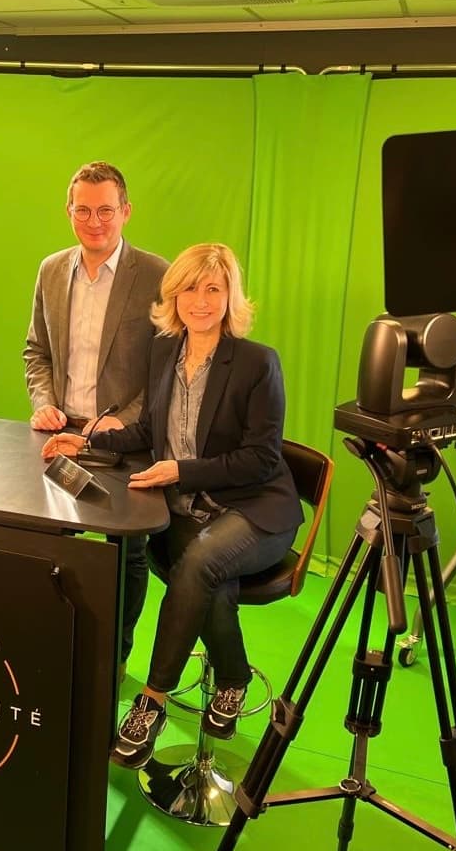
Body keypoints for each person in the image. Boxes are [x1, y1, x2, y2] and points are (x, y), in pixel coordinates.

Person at [41, 243, 303, 768]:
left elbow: (259, 458)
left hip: (255, 509)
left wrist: (182, 471)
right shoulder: (164, 352)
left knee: (199, 565)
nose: (200, 300)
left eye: (213, 288)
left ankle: (152, 701)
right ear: (173, 295)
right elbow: (147, 429)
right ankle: (232, 675)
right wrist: (88, 441)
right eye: (189, 288)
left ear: (231, 297)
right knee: (212, 586)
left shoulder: (257, 362)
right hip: (185, 509)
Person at [23, 161, 169, 677]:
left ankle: (114, 658)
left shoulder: (156, 274)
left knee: (127, 555)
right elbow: (36, 351)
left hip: (126, 439)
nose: (95, 221)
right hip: (61, 436)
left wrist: (120, 422)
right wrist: (43, 400)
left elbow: (163, 370)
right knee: (53, 543)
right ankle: (58, 650)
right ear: (69, 212)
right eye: (83, 210)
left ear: (125, 212)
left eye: (106, 210)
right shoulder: (50, 269)